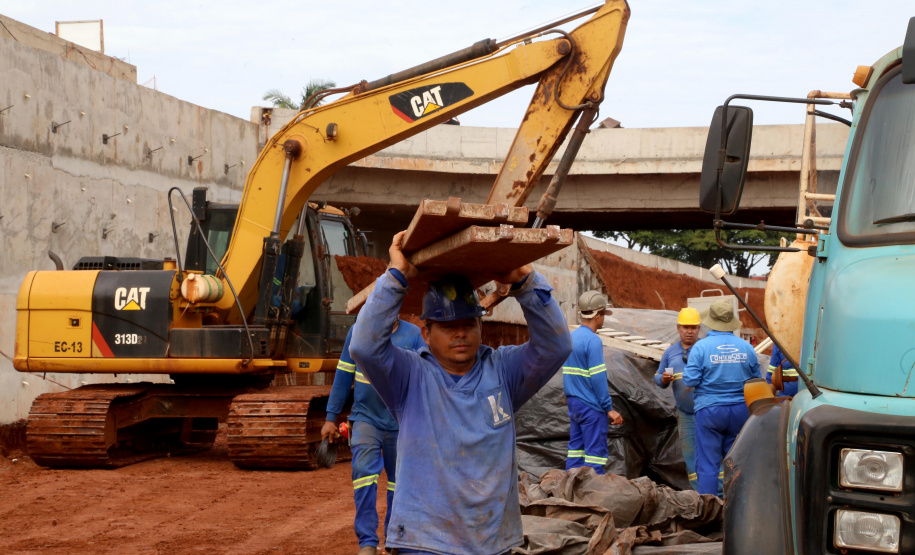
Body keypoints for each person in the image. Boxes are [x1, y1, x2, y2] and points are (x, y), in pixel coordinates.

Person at [349, 231, 572, 555]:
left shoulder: (503, 371)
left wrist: (525, 280)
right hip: (425, 543)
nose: (460, 333)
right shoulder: (409, 376)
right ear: (426, 333)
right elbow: (364, 346)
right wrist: (396, 277)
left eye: (468, 324)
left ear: (481, 326)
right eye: (448, 326)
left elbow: (557, 346)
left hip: (492, 541)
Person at [322, 318, 425, 555]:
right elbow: (343, 374)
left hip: (401, 421)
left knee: (400, 482)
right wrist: (330, 417)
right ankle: (367, 542)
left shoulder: (413, 335)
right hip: (366, 418)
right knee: (363, 475)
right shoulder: (358, 331)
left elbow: (426, 375)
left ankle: (395, 538)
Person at [682, 300, 760, 496]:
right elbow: (756, 379)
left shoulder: (700, 348)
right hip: (740, 411)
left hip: (709, 411)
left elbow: (690, 379)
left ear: (711, 322)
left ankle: (709, 507)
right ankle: (738, 506)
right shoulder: (746, 347)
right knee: (736, 462)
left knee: (708, 463)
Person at [563, 291, 623, 475]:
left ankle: (569, 489)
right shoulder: (593, 340)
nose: (603, 319)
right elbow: (598, 378)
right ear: (597, 316)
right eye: (603, 314)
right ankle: (592, 491)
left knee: (576, 452)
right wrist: (609, 409)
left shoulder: (570, 338)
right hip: (591, 406)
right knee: (595, 458)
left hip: (574, 404)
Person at [654, 307, 703, 490]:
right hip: (685, 414)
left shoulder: (704, 348)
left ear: (699, 329)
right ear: (678, 328)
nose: (689, 331)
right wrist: (663, 379)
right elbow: (658, 377)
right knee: (690, 455)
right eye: (685, 327)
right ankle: (699, 495)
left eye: (693, 327)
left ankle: (719, 494)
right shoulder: (670, 352)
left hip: (706, 411)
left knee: (711, 452)